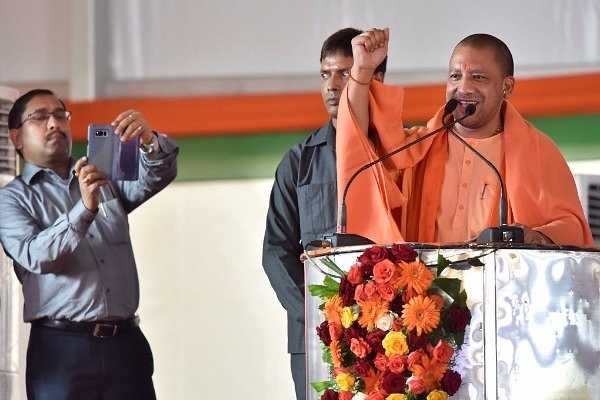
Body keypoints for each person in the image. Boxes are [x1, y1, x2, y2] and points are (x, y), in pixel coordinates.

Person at [336, 28, 593, 246]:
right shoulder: (418, 149)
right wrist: (362, 71)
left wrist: (537, 237)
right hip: (425, 297)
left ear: (507, 87)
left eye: (478, 77)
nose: (463, 88)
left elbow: (572, 227)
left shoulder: (538, 152)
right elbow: (360, 145)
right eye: (455, 76)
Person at [0, 89, 179, 399]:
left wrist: (149, 143)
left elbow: (157, 175)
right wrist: (84, 208)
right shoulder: (11, 199)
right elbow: (37, 256)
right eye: (40, 117)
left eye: (60, 114)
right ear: (16, 138)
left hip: (125, 344)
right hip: (61, 350)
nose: (54, 123)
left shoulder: (103, 175)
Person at [261, 28, 387, 400]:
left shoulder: (398, 154)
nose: (332, 85)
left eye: (344, 73)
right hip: (316, 334)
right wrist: (316, 311)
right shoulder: (298, 162)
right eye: (324, 74)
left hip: (387, 328)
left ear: (372, 78)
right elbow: (275, 250)